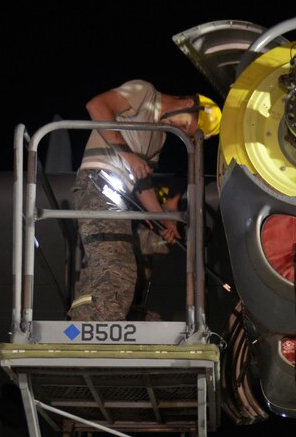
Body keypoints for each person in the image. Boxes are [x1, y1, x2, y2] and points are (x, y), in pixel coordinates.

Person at [69, 81, 220, 322]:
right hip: (98, 184)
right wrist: (127, 155)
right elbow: (97, 105)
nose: (181, 133)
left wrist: (164, 220)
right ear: (189, 105)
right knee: (118, 271)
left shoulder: (159, 138)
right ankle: (90, 332)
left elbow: (142, 184)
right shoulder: (145, 93)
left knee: (131, 266)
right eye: (186, 127)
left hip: (118, 198)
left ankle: (88, 320)